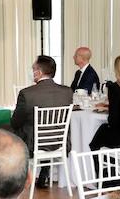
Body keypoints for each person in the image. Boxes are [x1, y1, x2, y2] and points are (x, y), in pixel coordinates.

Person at [10, 55, 74, 186]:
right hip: (58, 142)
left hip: (33, 144)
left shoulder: (26, 94)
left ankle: (10, 177)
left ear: (38, 72)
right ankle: (44, 172)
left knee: (6, 128)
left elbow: (16, 122)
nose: (31, 71)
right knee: (40, 128)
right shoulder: (67, 92)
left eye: (32, 68)